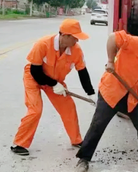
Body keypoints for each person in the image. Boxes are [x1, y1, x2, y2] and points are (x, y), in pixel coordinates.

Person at [74, 30, 138, 172]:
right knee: (98, 125)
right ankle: (83, 159)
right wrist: (111, 61)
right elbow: (113, 37)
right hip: (112, 91)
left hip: (130, 98)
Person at [11, 18, 95, 156]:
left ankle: (76, 140)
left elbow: (82, 72)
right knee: (35, 110)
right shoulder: (43, 44)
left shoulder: (76, 50)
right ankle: (19, 143)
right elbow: (35, 71)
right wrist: (54, 84)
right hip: (34, 78)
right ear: (65, 36)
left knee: (68, 107)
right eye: (75, 38)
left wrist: (90, 93)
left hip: (55, 81)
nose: (77, 41)